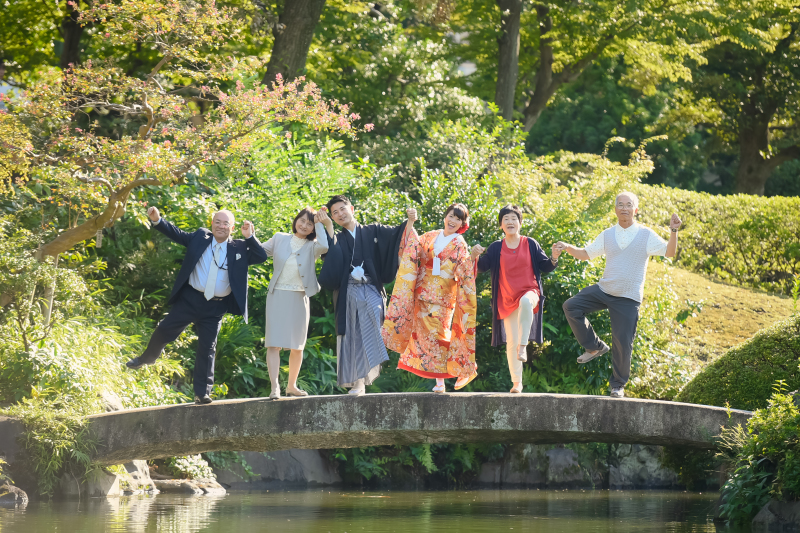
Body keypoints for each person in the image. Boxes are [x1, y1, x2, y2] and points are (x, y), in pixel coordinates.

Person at [126, 207, 268, 404]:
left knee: (207, 348)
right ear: (212, 224)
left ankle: (202, 393)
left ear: (232, 227)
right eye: (217, 221)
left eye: (225, 223)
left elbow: (261, 256)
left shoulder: (240, 248)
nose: (221, 226)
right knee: (164, 330)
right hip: (190, 299)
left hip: (216, 307)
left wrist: (250, 237)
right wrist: (158, 220)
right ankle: (146, 359)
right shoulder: (201, 237)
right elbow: (177, 234)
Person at [555, 192, 681, 398]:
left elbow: (669, 252)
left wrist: (674, 231)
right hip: (605, 290)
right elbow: (586, 253)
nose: (624, 208)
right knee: (571, 306)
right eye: (620, 205)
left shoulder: (645, 234)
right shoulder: (607, 234)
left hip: (628, 298)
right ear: (615, 209)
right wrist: (567, 247)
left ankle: (618, 385)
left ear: (636, 210)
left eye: (629, 205)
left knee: (623, 341)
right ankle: (595, 347)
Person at [317, 195, 416, 396]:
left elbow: (398, 235)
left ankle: (361, 377)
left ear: (351, 208)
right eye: (334, 213)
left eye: (342, 209)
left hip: (370, 287)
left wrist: (411, 221)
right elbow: (330, 254)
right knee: (353, 335)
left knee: (373, 322)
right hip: (348, 291)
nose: (339, 214)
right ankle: (358, 382)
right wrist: (327, 225)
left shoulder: (373, 231)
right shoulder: (338, 237)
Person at [383, 203, 478, 393]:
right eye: (451, 216)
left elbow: (464, 273)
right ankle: (438, 381)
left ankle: (444, 380)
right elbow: (411, 246)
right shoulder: (430, 236)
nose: (453, 221)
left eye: (458, 218)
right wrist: (411, 222)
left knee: (440, 337)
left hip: (443, 298)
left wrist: (472, 257)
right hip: (422, 293)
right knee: (419, 337)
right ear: (445, 217)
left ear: (462, 223)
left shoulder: (460, 244)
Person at [471, 204, 561, 393]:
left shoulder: (530, 244)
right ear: (501, 225)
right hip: (506, 299)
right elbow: (482, 267)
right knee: (510, 341)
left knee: (526, 302)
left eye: (514, 218)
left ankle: (524, 345)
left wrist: (554, 258)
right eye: (506, 219)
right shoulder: (496, 247)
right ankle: (517, 383)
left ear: (520, 222)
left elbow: (545, 266)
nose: (510, 222)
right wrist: (474, 256)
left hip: (530, 291)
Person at [261, 207, 331, 399]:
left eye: (309, 224)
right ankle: (274, 387)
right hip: (277, 294)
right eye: (302, 220)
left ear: (313, 228)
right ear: (296, 220)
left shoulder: (313, 246)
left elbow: (325, 246)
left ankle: (291, 386)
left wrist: (320, 221)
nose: (304, 225)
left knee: (297, 346)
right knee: (273, 344)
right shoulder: (279, 238)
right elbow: (259, 251)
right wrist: (249, 237)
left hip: (300, 296)